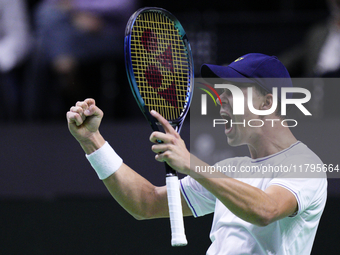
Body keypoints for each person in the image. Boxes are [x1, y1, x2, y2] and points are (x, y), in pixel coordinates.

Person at [66, 53, 327, 254]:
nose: (219, 99)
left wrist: (191, 163)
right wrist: (92, 141)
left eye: (232, 90)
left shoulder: (305, 164)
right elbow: (146, 203)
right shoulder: (230, 170)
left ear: (268, 102)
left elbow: (266, 209)